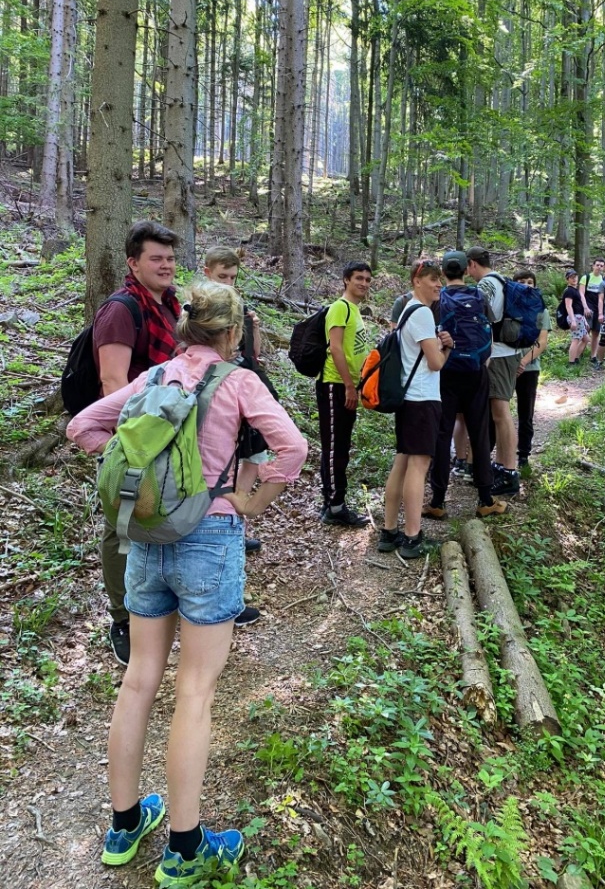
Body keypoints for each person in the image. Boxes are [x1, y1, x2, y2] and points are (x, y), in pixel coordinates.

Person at [67, 280, 308, 886]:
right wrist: (252, 502)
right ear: (233, 333)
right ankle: (185, 848)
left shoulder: (153, 378)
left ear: (183, 329)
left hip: (145, 540)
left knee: (138, 679)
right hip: (210, 538)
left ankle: (124, 826)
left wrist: (145, 484)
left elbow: (83, 428)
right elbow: (293, 448)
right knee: (194, 690)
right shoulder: (238, 381)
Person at [91, 220, 180, 665]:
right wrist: (133, 447)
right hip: (132, 440)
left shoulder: (171, 306)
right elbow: (112, 383)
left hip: (169, 436)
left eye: (170, 258)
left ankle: (162, 603)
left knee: (161, 515)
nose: (166, 266)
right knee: (122, 525)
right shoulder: (122, 310)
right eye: (155, 258)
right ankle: (122, 618)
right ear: (133, 263)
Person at [423, 251, 509, 521]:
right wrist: (481, 362)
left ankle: (437, 501)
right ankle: (485, 499)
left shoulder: (437, 299)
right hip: (475, 372)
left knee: (442, 434)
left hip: (445, 372)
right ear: (465, 270)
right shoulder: (478, 296)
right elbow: (489, 332)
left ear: (443, 272)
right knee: (479, 433)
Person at [203, 246, 275, 555]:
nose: (228, 283)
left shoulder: (238, 305)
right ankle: (217, 521)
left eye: (232, 277)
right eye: (223, 276)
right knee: (221, 458)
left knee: (255, 454)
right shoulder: (199, 310)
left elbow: (253, 353)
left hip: (246, 384)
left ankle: (236, 517)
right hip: (218, 391)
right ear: (207, 273)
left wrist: (253, 327)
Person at [379, 260, 454, 558]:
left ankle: (389, 532)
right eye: (433, 279)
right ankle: (412, 537)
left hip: (408, 400)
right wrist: (447, 348)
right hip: (422, 399)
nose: (439, 285)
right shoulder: (421, 312)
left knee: (402, 462)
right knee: (418, 467)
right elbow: (435, 363)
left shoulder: (407, 310)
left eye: (440, 280)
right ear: (417, 280)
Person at [317, 261, 372, 526]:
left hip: (348, 385)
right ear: (346, 280)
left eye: (367, 279)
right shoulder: (340, 308)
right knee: (334, 447)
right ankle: (335, 506)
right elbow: (336, 348)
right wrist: (349, 385)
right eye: (358, 278)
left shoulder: (354, 310)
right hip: (335, 384)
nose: (363, 283)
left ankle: (331, 501)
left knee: (340, 445)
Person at [465, 247, 520, 497]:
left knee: (501, 413)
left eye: (468, 267)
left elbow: (484, 315)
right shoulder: (500, 280)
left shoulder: (487, 283)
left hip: (498, 353)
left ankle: (508, 472)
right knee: (497, 413)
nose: (468, 272)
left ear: (473, 264)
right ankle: (500, 467)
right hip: (503, 352)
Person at [510, 270, 550, 475]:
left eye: (529, 282)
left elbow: (542, 342)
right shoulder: (507, 307)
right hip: (505, 366)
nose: (526, 285)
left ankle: (523, 455)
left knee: (526, 413)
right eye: (521, 282)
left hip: (530, 368)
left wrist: (523, 362)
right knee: (496, 411)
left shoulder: (541, 309)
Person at [578, 258, 605, 367]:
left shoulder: (603, 280)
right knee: (585, 331)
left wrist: (601, 312)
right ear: (593, 266)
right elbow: (581, 293)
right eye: (597, 265)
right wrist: (585, 307)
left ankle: (593, 356)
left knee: (596, 333)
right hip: (588, 307)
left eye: (601, 266)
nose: (599, 267)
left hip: (599, 309)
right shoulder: (586, 277)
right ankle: (578, 354)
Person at [562, 269, 590, 366]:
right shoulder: (569, 291)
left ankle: (576, 358)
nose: (574, 279)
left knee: (586, 339)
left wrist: (585, 321)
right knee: (576, 339)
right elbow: (568, 306)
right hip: (575, 317)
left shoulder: (575, 290)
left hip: (580, 317)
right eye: (571, 277)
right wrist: (573, 320)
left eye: (575, 277)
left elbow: (579, 307)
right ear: (567, 279)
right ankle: (571, 362)